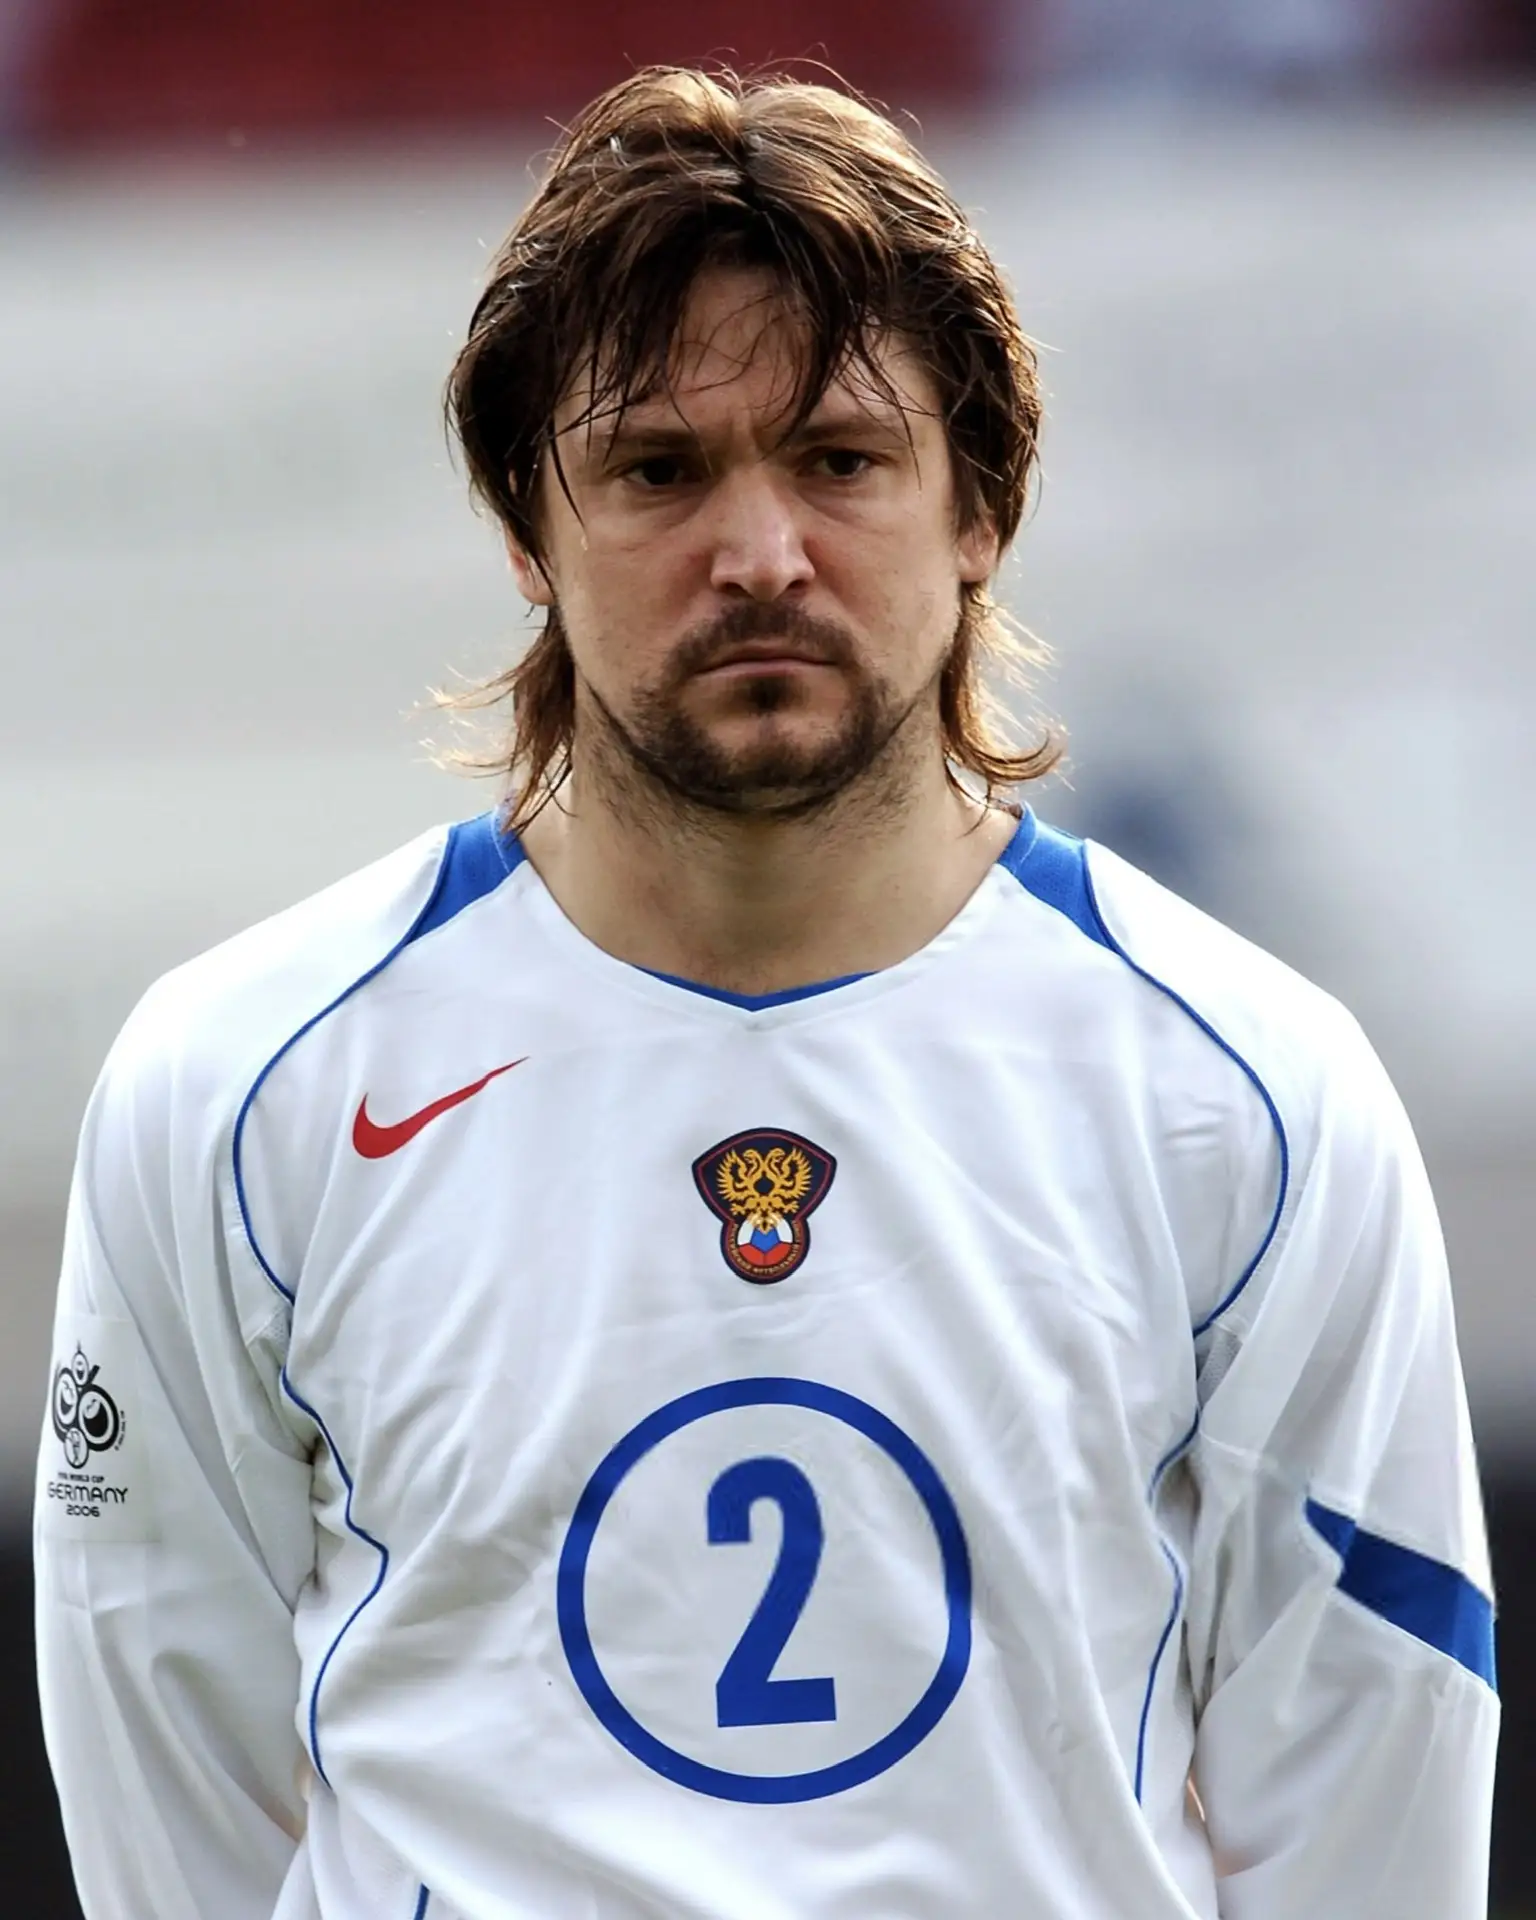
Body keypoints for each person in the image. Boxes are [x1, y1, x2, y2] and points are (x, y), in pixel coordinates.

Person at [35, 65, 1497, 1920]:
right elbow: (167, 1761)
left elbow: (1367, 1770)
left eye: (840, 459)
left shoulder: (1250, 1089)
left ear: (980, 508)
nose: (761, 555)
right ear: (524, 529)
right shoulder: (241, 1083)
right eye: (659, 471)